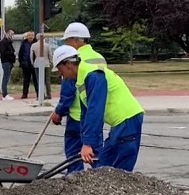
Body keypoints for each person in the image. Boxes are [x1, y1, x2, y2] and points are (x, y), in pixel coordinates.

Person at [52, 44, 145, 172]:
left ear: (68, 64)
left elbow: (95, 111)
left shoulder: (93, 75)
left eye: (59, 68)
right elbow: (85, 115)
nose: (59, 74)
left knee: (120, 170)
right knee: (103, 164)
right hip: (120, 124)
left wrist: (87, 144)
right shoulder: (81, 79)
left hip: (127, 120)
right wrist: (85, 143)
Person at [51, 23, 106, 174]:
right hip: (94, 116)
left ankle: (74, 185)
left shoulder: (73, 59)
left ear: (76, 40)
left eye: (67, 40)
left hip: (77, 115)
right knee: (94, 153)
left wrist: (59, 111)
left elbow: (68, 92)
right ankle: (104, 180)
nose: (66, 44)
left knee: (74, 154)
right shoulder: (99, 57)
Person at [30, 33, 53, 99]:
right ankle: (49, 94)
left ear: (37, 38)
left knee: (39, 80)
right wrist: (51, 62)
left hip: (37, 63)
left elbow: (31, 55)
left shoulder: (33, 45)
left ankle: (41, 94)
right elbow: (50, 55)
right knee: (47, 80)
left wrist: (32, 63)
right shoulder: (47, 45)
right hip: (46, 63)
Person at [18, 31, 38, 99]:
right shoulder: (24, 43)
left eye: (32, 35)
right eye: (29, 35)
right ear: (27, 36)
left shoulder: (36, 43)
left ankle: (39, 93)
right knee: (26, 80)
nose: (31, 37)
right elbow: (20, 53)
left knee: (36, 80)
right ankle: (24, 94)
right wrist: (21, 63)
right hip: (26, 64)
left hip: (35, 64)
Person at [0, 29, 16, 101]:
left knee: (6, 78)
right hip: (6, 62)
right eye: (11, 34)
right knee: (5, 78)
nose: (12, 36)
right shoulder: (3, 42)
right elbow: (3, 52)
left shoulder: (9, 42)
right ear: (7, 34)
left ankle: (5, 94)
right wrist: (12, 53)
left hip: (9, 61)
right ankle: (4, 95)